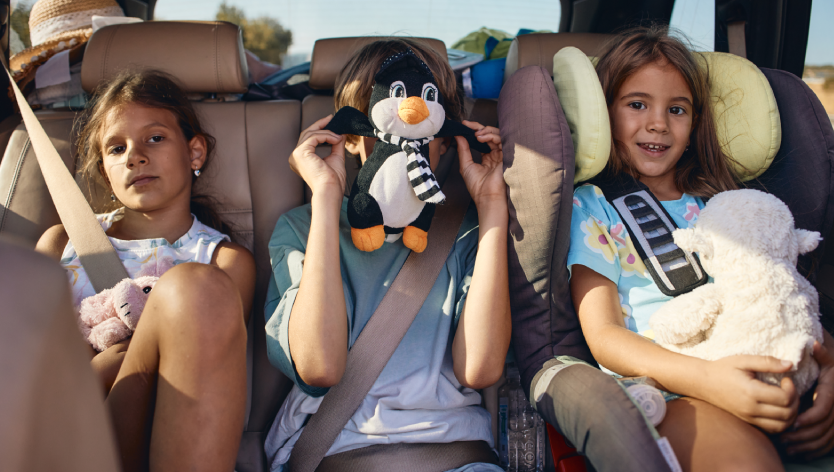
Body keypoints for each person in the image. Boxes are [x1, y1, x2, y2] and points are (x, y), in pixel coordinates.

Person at [567, 26, 834, 471]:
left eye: (677, 109)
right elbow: (606, 338)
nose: (657, 123)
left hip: (766, 366)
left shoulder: (727, 203)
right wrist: (709, 380)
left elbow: (782, 293)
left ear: (695, 125)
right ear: (604, 113)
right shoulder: (594, 208)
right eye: (637, 104)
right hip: (672, 387)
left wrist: (828, 374)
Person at [263, 38, 510, 470]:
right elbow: (319, 367)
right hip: (338, 452)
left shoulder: (468, 227)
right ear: (353, 137)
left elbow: (481, 368)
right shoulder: (303, 227)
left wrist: (491, 207)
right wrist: (325, 197)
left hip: (457, 453)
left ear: (447, 138)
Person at [36, 71, 256, 472]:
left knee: (196, 288)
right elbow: (26, 362)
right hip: (59, 429)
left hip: (161, 435)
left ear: (195, 154)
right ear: (106, 172)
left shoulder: (223, 262)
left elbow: (202, 376)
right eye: (116, 149)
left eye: (154, 138)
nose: (135, 155)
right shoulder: (59, 245)